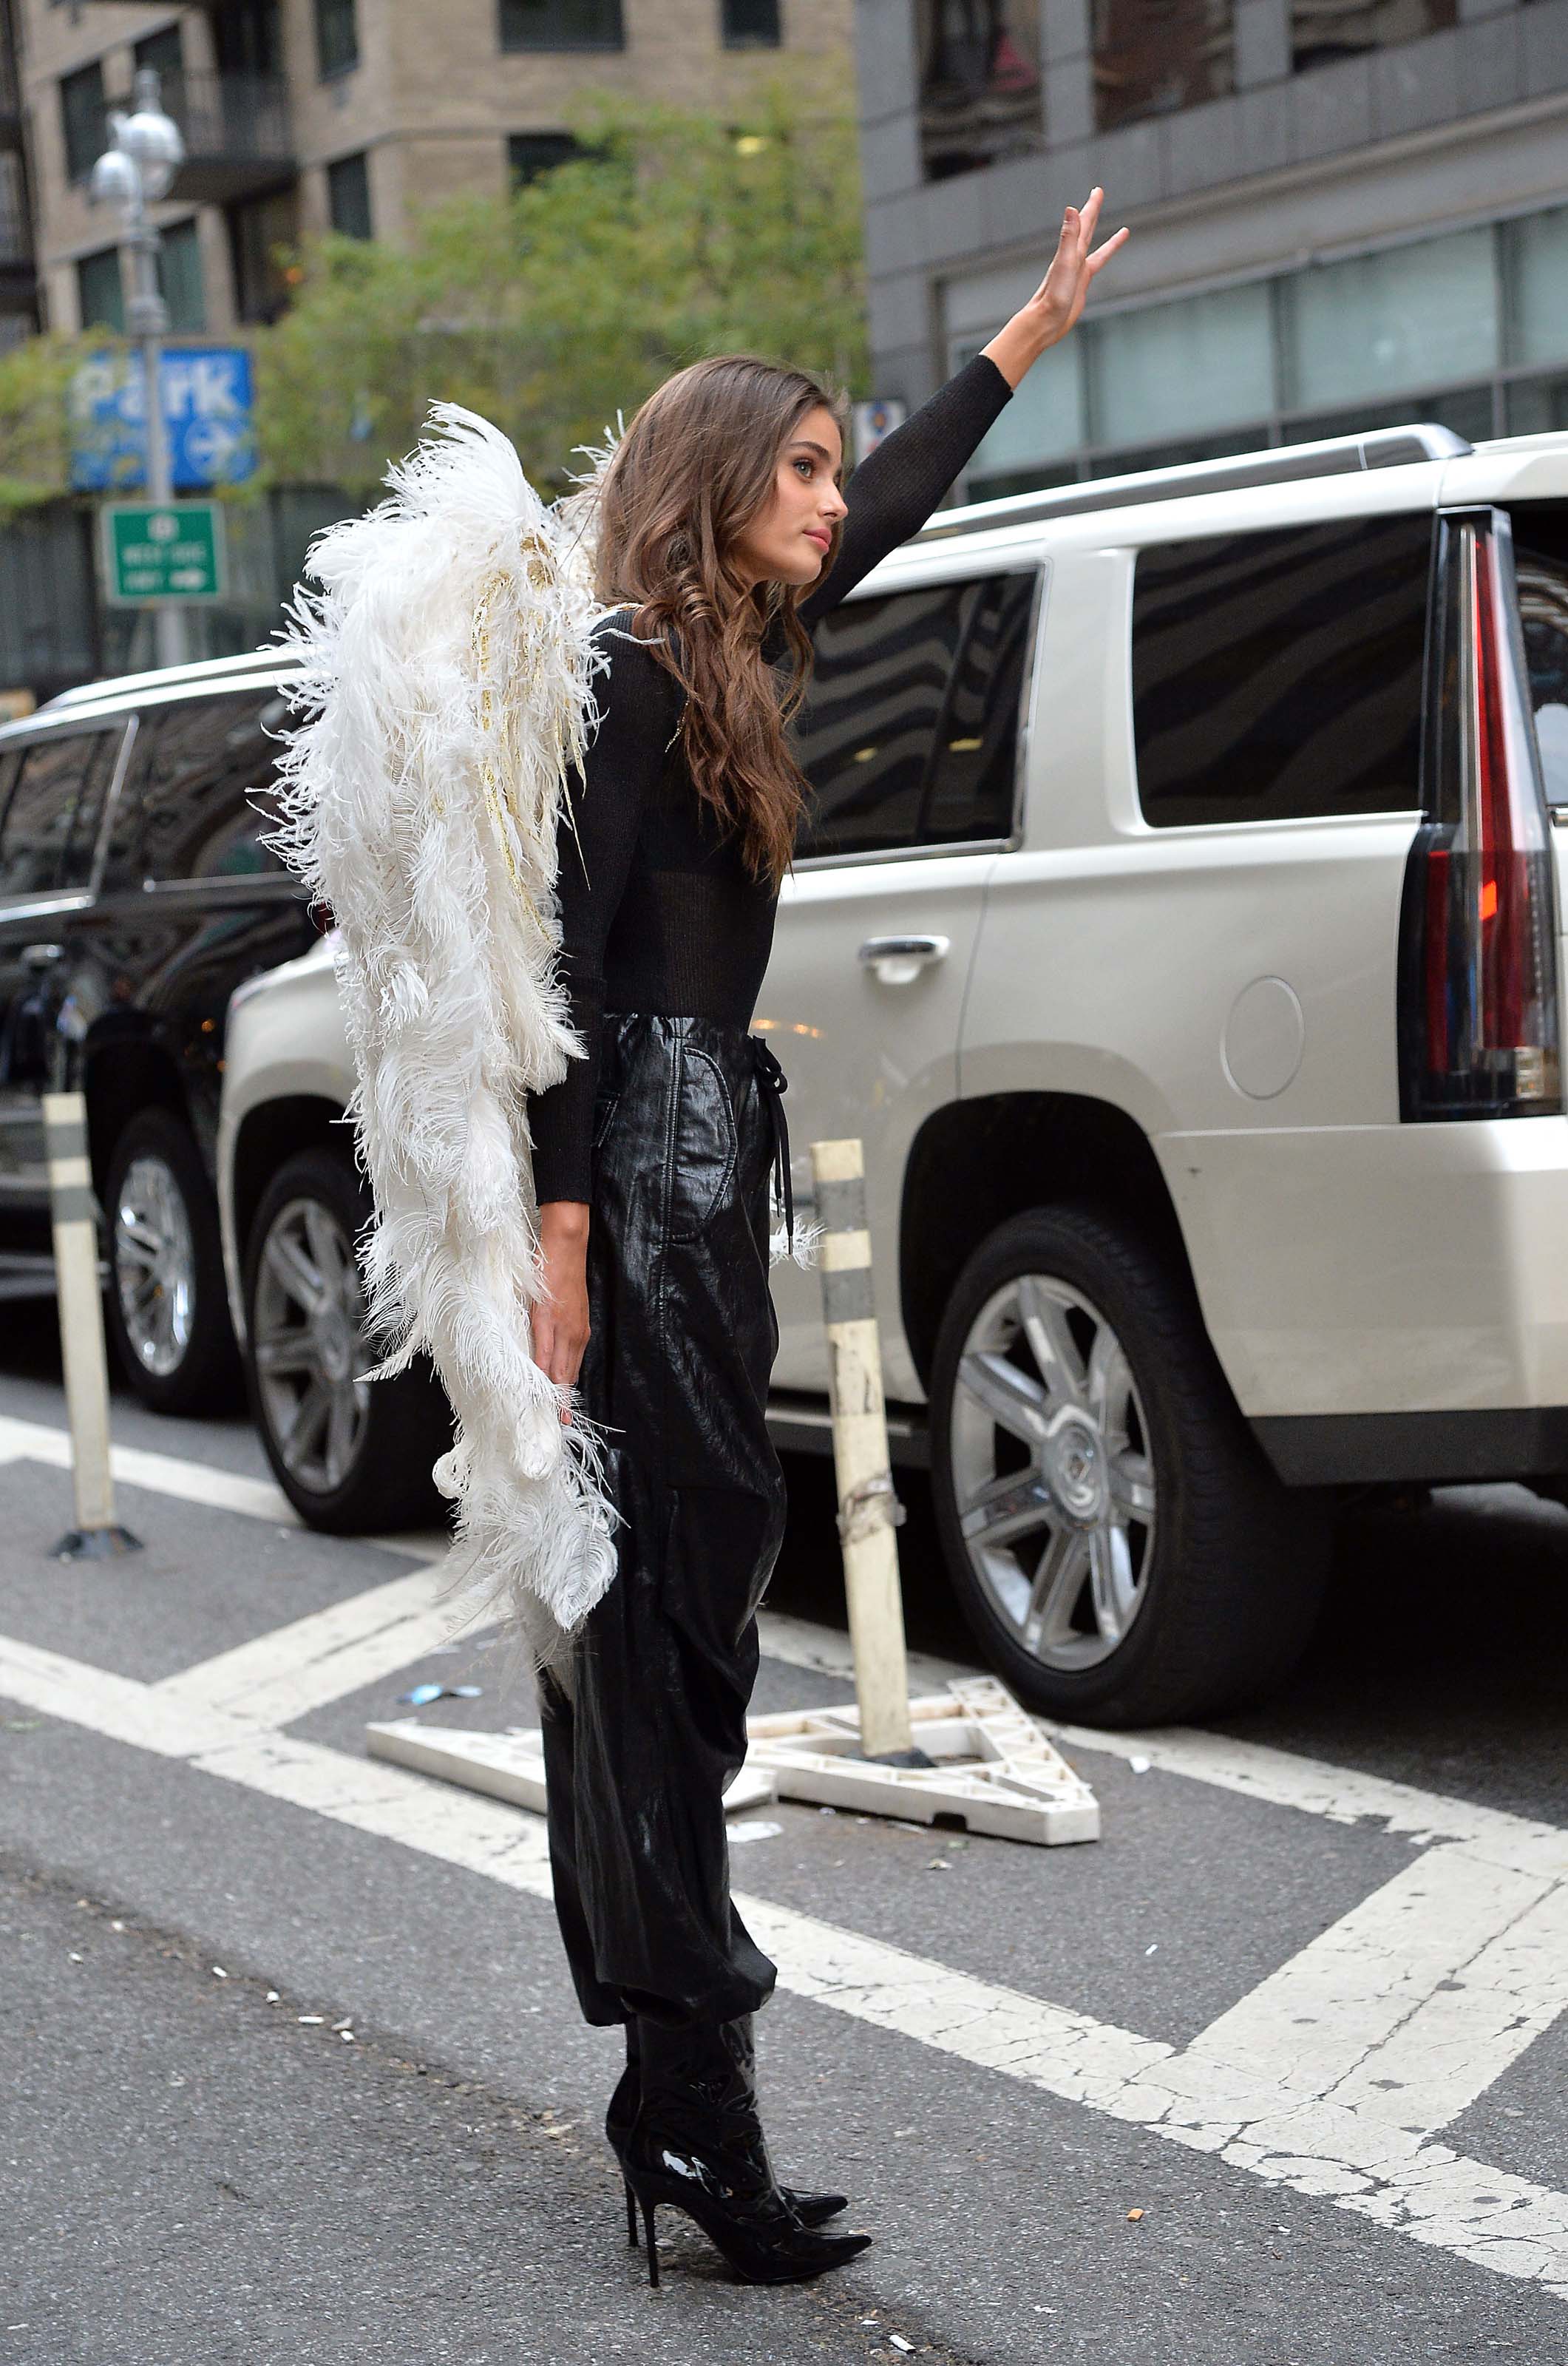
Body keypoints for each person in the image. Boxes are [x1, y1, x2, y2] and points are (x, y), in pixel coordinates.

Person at [527, 189, 1127, 2289]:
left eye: (827, 466)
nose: (827, 498)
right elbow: (556, 973)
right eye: (792, 466)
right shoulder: (609, 679)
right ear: (712, 491)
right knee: (664, 1620)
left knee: (686, 1613)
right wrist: (566, 1237)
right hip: (646, 1157)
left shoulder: (725, 654)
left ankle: (672, 2087)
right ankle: (691, 2102)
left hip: (711, 1152)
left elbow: (889, 517)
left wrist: (1026, 343)